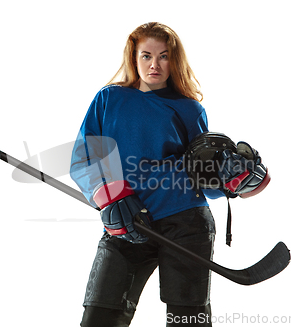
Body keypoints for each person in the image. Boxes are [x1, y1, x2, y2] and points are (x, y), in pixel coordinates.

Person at [69, 22, 267, 327]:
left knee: (187, 322)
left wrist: (235, 183)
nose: (154, 64)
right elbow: (84, 158)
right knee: (99, 318)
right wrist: (109, 196)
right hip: (128, 222)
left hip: (186, 224)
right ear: (133, 58)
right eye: (146, 55)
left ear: (174, 60)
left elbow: (205, 182)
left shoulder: (189, 109)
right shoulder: (109, 100)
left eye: (163, 56)